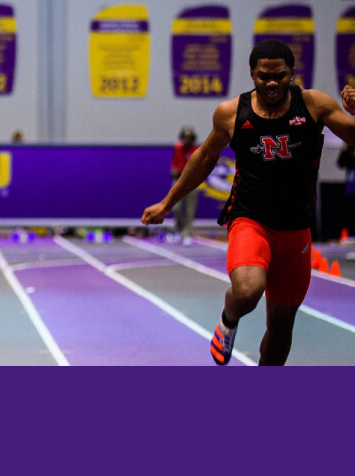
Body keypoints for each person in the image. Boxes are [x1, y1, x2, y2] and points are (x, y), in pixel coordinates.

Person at [142, 39, 355, 366]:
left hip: (296, 228)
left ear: (292, 74)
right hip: (249, 220)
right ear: (252, 74)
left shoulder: (314, 105)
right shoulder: (231, 113)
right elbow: (204, 159)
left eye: (279, 76)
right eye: (263, 76)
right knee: (247, 291)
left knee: (281, 326)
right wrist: (168, 202)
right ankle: (228, 320)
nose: (271, 83)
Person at [170, 126, 200, 245]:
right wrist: (173, 170)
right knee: (176, 208)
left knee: (190, 211)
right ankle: (180, 230)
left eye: (189, 137)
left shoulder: (196, 149)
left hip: (192, 182)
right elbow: (174, 162)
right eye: (185, 137)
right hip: (178, 181)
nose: (187, 140)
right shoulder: (177, 147)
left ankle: (187, 234)